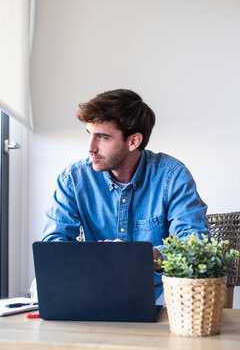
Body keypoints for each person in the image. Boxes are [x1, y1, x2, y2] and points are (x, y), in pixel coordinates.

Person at [42, 89, 209, 300]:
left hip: (161, 294)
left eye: (102, 137)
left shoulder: (172, 176)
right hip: (94, 289)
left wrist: (143, 257)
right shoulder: (74, 179)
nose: (90, 148)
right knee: (38, 286)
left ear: (133, 141)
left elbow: (195, 243)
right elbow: (53, 243)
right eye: (89, 134)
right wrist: (93, 260)